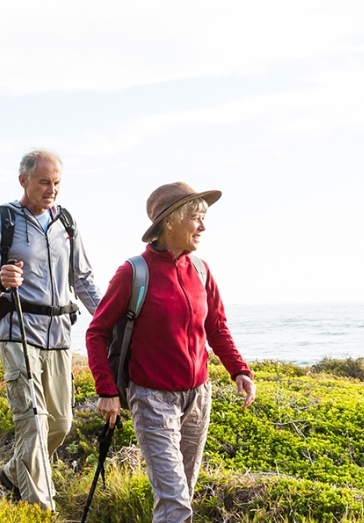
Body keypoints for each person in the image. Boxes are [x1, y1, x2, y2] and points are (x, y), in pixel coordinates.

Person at [85, 181, 256, 523]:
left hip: (198, 397)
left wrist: (240, 369)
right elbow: (97, 332)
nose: (203, 227)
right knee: (175, 502)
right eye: (196, 217)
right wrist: (106, 390)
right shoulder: (134, 272)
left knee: (181, 495)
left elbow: (217, 328)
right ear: (170, 221)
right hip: (152, 399)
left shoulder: (202, 271)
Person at [0, 148, 102, 511]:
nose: (52, 189)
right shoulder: (0, 223)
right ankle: (42, 508)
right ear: (23, 180)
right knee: (33, 423)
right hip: (17, 333)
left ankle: (13, 472)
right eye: (45, 182)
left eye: (57, 182)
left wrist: (108, 320)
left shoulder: (67, 225)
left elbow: (84, 280)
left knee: (60, 422)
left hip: (59, 335)